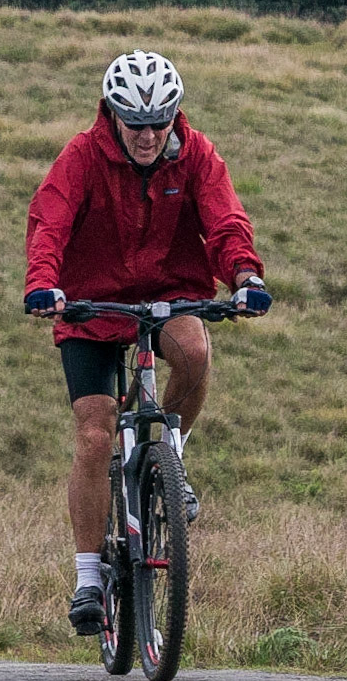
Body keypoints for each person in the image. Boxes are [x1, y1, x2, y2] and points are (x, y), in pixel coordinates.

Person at [24, 50, 272, 637]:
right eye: (136, 123)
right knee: (94, 434)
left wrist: (244, 276)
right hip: (90, 305)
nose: (148, 134)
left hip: (169, 293)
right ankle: (88, 577)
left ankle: (172, 456)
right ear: (112, 115)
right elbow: (50, 221)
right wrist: (44, 285)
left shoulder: (197, 155)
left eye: (160, 121)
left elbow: (225, 219)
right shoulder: (82, 156)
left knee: (195, 350)